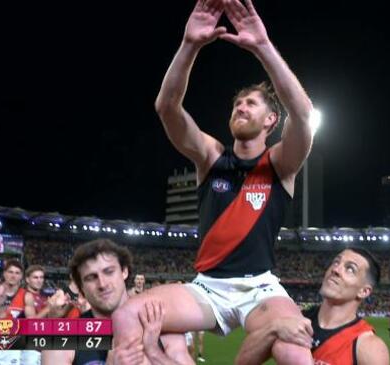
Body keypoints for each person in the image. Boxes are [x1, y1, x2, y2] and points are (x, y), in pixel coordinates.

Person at [113, 0, 315, 363]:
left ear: (271, 120)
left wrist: (262, 47)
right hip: (207, 288)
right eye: (237, 103)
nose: (240, 107)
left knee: (295, 347)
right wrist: (189, 45)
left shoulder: (280, 163)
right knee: (128, 315)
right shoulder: (211, 157)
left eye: (251, 103)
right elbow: (167, 107)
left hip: (261, 289)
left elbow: (302, 114)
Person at [42, 239, 191, 365]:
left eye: (109, 272)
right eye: (91, 277)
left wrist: (153, 351)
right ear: (81, 287)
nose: (102, 284)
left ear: (124, 272)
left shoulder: (159, 322)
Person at [234, 248, 389, 365]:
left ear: (364, 291)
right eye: (336, 262)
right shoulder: (294, 319)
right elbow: (241, 361)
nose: (336, 270)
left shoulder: (369, 347)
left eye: (350, 269)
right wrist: (274, 328)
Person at [22, 264, 50, 365]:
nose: (39, 280)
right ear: (27, 279)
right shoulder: (24, 295)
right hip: (29, 349)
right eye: (35, 277)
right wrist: (49, 308)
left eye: (41, 277)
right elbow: (31, 323)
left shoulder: (44, 298)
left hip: (43, 348)